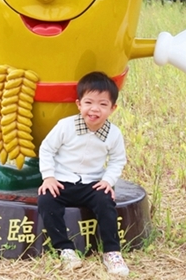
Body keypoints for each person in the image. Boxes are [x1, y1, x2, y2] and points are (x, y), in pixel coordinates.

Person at [37, 72, 129, 276]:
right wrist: (49, 176)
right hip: (62, 180)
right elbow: (46, 149)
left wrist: (107, 181)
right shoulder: (65, 126)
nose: (94, 109)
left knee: (105, 201)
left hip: (92, 183)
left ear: (112, 108)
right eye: (89, 102)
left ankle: (112, 252)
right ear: (79, 104)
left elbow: (117, 160)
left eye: (103, 104)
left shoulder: (114, 134)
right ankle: (66, 250)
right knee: (46, 201)